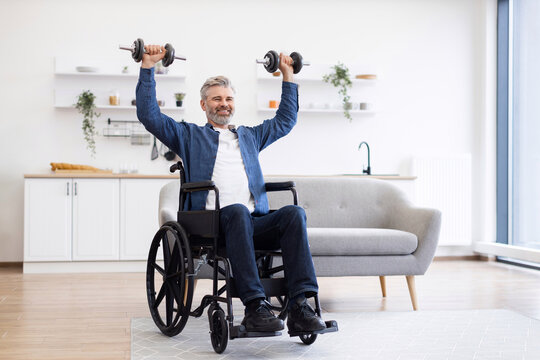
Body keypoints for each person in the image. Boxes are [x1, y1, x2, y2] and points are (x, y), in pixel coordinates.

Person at [136, 45, 326, 333]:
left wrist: (287, 75)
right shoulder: (189, 135)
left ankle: (301, 305)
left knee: (293, 214)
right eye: (216, 99)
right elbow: (150, 116)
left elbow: (285, 121)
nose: (223, 103)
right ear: (204, 105)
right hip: (211, 223)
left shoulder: (249, 136)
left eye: (228, 99)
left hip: (252, 221)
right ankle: (254, 307)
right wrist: (148, 67)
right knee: (236, 211)